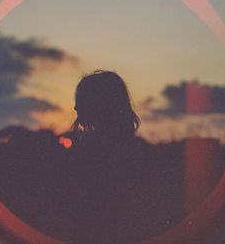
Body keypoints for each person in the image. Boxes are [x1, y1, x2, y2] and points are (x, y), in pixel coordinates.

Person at [64, 70, 179, 243]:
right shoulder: (133, 149)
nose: (76, 107)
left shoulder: (91, 148)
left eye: (82, 100)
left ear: (100, 104)